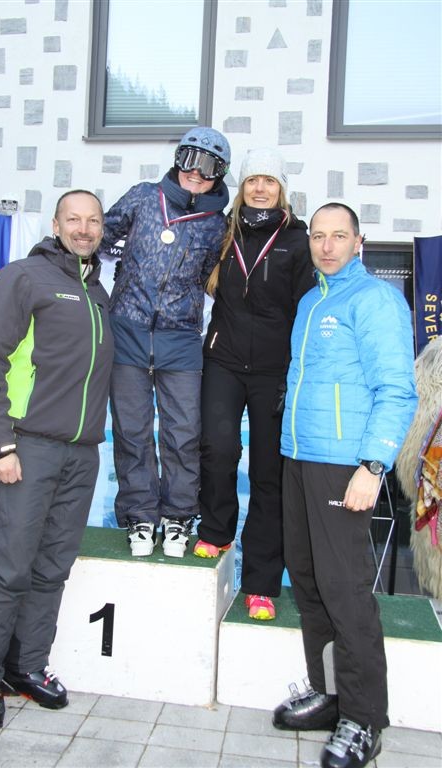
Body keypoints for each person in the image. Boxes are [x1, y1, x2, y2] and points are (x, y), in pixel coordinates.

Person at [0, 190, 114, 730]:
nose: (84, 228)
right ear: (56, 224)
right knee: (8, 566)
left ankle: (26, 665)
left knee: (51, 569)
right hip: (27, 447)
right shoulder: (24, 277)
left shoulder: (98, 292)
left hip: (81, 453)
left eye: (93, 220)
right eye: (74, 219)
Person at [272, 203, 417, 768]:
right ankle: (330, 694)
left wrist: (373, 466)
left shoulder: (375, 299)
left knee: (345, 589)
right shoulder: (311, 301)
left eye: (339, 236)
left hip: (345, 465)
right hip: (299, 457)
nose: (327, 245)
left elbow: (397, 390)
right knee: (308, 581)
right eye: (318, 236)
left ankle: (364, 718)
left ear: (360, 242)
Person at [194, 148, 315, 621]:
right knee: (217, 448)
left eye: (268, 180)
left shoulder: (298, 241)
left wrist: (297, 370)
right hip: (223, 360)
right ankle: (216, 530)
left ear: (281, 189)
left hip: (273, 370)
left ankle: (261, 582)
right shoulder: (224, 231)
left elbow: (306, 311)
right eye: (252, 180)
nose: (260, 188)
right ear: (241, 187)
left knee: (270, 473)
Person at [102, 127, 230, 558]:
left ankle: (178, 517)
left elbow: (216, 279)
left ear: (220, 174)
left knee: (183, 432)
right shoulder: (144, 197)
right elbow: (99, 237)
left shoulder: (217, 225)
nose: (196, 172)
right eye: (190, 159)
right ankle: (140, 516)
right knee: (132, 430)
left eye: (209, 166)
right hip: (128, 330)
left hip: (181, 337)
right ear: (177, 159)